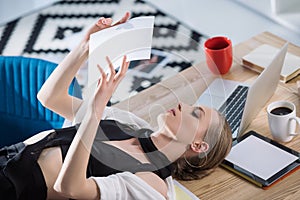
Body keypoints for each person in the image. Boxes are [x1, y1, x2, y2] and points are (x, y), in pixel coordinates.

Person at [0, 12, 232, 200]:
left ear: (198, 145)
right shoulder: (132, 125)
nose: (183, 104)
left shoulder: (152, 184)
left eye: (196, 113)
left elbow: (70, 187)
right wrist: (84, 48)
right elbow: (50, 98)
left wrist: (94, 113)